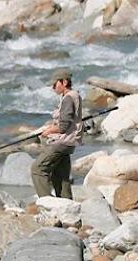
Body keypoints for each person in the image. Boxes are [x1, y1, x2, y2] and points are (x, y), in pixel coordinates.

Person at [31, 69, 83, 200]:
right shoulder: (74, 95)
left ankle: (47, 204)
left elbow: (64, 127)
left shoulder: (68, 99)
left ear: (64, 82)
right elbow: (68, 122)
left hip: (62, 143)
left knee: (37, 170)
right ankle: (67, 204)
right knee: (60, 176)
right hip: (69, 143)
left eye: (55, 84)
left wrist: (48, 131)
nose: (53, 87)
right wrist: (52, 127)